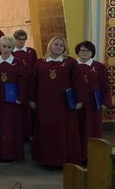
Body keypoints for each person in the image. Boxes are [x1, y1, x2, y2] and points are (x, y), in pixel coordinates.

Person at [30, 36, 82, 166]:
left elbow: (78, 82)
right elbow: (33, 83)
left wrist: (79, 100)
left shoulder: (70, 62)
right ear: (50, 46)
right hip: (44, 103)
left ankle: (64, 160)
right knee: (46, 130)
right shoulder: (40, 62)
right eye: (56, 44)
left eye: (61, 45)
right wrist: (32, 99)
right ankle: (46, 160)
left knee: (64, 131)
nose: (58, 47)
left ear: (65, 48)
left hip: (64, 104)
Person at [0, 36, 27, 161]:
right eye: (4, 46)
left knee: (10, 125)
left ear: (13, 48)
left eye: (9, 47)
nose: (6, 49)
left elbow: (23, 81)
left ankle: (11, 154)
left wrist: (20, 97)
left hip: (12, 101)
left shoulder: (19, 62)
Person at [74, 41, 112, 159]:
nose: (84, 52)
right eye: (82, 50)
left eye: (88, 50)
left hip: (93, 104)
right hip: (76, 104)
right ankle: (77, 155)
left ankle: (92, 156)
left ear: (92, 53)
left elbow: (105, 86)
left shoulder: (99, 67)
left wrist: (105, 102)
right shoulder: (72, 65)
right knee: (76, 128)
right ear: (78, 51)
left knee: (92, 129)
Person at [12, 29, 38, 138]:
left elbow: (36, 68)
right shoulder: (11, 52)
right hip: (16, 85)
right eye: (19, 39)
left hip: (29, 84)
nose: (21, 41)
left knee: (29, 110)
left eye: (23, 39)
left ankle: (29, 133)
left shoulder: (31, 52)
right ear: (15, 39)